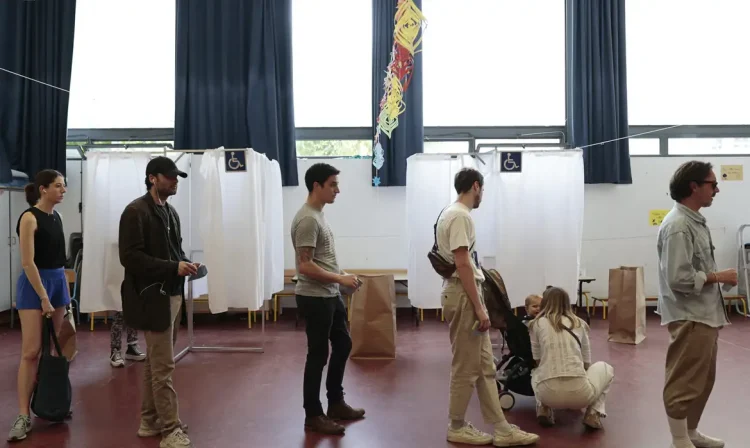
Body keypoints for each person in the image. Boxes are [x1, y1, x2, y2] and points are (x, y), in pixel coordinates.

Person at [436, 167, 539, 447]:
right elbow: (462, 263)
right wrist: (480, 308)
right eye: (482, 190)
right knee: (465, 367)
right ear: (476, 186)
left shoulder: (451, 213)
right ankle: (456, 425)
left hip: (462, 294)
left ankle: (502, 429)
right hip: (463, 295)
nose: (482, 195)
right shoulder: (460, 216)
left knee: (484, 368)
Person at [119, 156, 197, 448]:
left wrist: (187, 264)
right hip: (152, 297)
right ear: (153, 178)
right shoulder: (135, 212)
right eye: (169, 177)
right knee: (163, 366)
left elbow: (174, 252)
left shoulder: (170, 213)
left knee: (155, 363)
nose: (175, 181)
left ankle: (149, 421)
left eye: (177, 177)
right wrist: (172, 268)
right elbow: (130, 258)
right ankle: (170, 429)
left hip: (172, 294)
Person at [658, 161, 736, 448]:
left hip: (705, 315)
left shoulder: (694, 221)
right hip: (690, 316)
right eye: (712, 184)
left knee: (703, 379)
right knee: (685, 380)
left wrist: (717, 278)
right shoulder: (678, 225)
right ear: (693, 186)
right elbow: (678, 278)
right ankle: (679, 439)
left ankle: (690, 432)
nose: (717, 189)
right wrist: (718, 276)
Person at [291, 163, 365, 435]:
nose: (338, 190)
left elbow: (320, 260)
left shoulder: (319, 215)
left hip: (329, 294)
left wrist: (342, 275)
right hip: (314, 297)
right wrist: (340, 279)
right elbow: (306, 266)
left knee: (343, 344)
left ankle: (335, 402)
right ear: (316, 186)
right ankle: (313, 414)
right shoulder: (308, 219)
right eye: (332, 184)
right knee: (318, 355)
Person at [8, 170, 70, 442]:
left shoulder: (57, 216)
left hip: (57, 281)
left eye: (63, 186)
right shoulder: (29, 218)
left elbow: (59, 259)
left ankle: (49, 400)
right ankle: (23, 416)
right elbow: (27, 262)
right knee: (31, 351)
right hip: (35, 284)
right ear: (43, 189)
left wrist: (62, 292)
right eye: (58, 186)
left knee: (55, 348)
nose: (63, 191)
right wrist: (44, 296)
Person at [528, 287, 614, 429]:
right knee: (606, 368)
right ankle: (593, 413)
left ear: (545, 303)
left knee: (535, 372)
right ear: (567, 303)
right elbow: (587, 361)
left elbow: (537, 359)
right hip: (581, 395)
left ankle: (543, 407)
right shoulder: (579, 323)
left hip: (547, 394)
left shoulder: (536, 324)